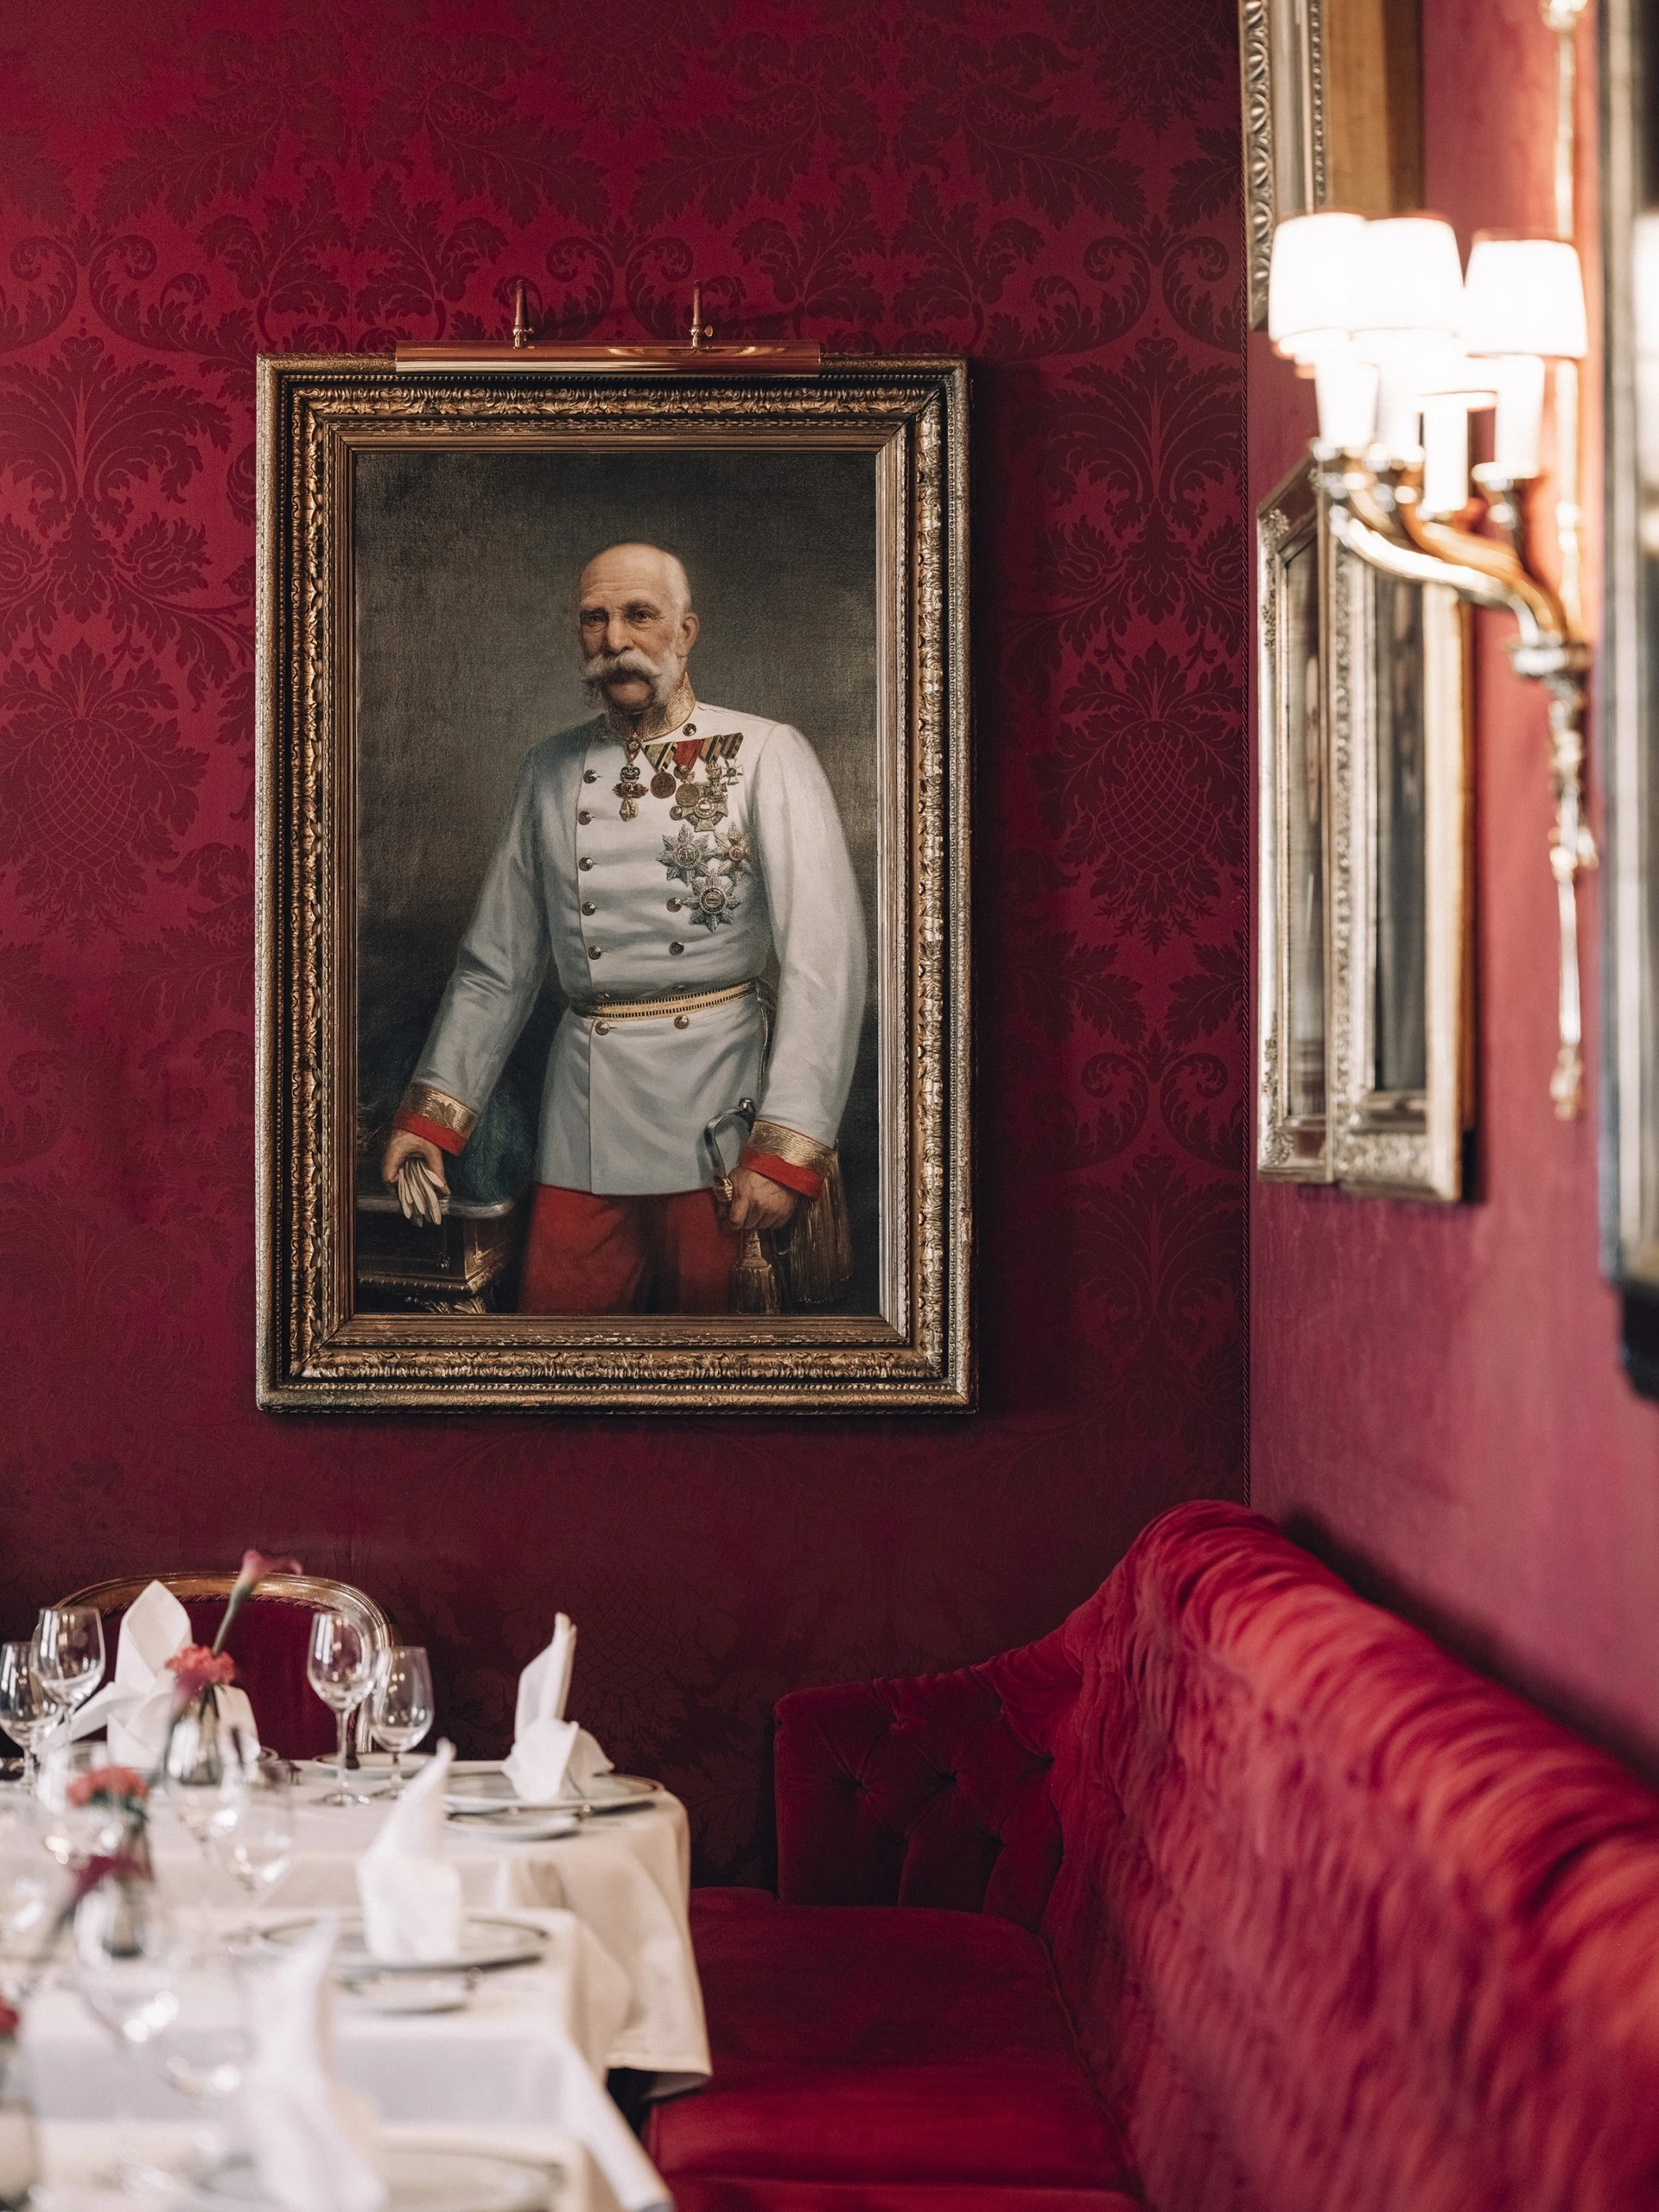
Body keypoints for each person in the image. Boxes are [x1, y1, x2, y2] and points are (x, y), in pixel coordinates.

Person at [380, 541, 867, 1313]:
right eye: (594, 620)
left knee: (713, 1369)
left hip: (718, 1117)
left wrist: (786, 1149)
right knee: (558, 1350)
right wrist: (434, 1116)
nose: (614, 641)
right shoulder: (547, 768)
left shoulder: (768, 753)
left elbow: (826, 959)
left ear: (686, 631)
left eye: (639, 616)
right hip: (584, 1120)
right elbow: (497, 964)